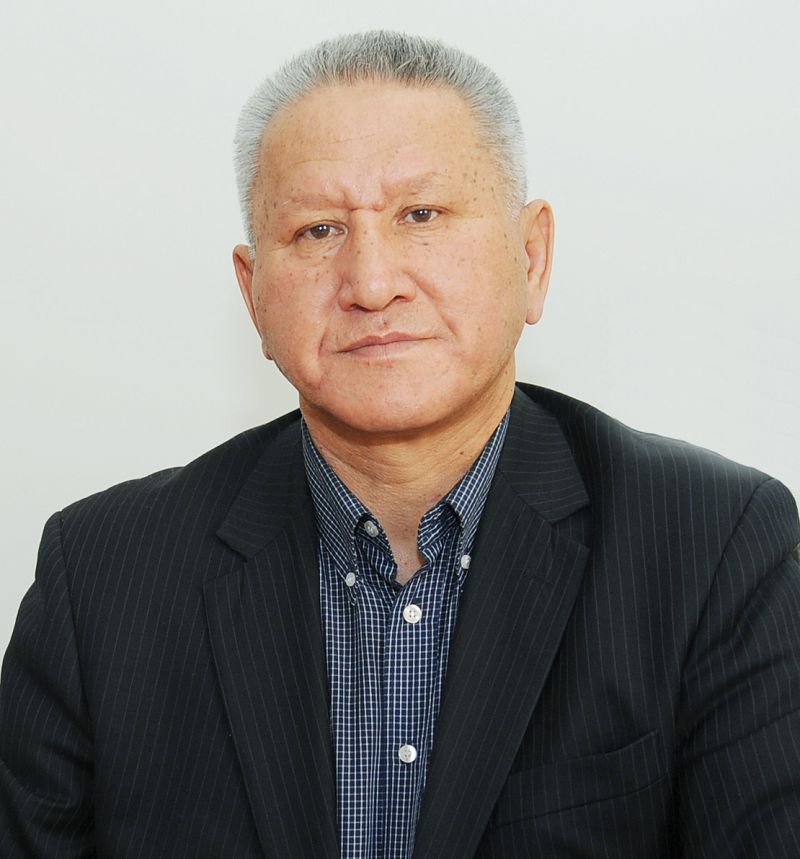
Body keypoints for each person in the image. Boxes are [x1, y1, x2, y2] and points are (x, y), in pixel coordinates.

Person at [1, 29, 799, 859]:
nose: (372, 283)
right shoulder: (100, 576)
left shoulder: (713, 546)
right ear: (253, 292)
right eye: (318, 230)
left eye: (421, 215)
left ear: (532, 257)